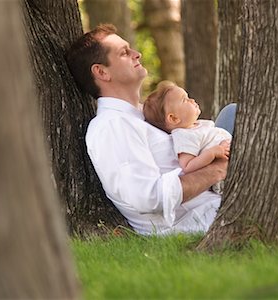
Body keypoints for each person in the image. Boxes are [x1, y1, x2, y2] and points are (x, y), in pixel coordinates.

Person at [66, 24, 228, 235]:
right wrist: (220, 169)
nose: (137, 54)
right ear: (101, 72)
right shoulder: (112, 126)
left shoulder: (143, 116)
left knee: (233, 114)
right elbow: (149, 197)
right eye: (124, 52)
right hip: (199, 218)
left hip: (217, 199)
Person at [143, 81, 231, 194]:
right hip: (225, 176)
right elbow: (187, 166)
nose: (192, 100)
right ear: (174, 118)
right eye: (185, 100)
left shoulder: (196, 126)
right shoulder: (184, 136)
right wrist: (213, 153)